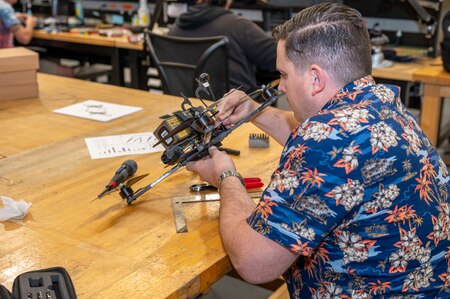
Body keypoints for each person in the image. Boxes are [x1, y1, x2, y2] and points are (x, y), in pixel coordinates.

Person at [186, 2, 450, 298]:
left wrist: (226, 177)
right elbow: (332, 149)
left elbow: (253, 263)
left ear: (315, 78)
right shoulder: (381, 103)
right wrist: (254, 111)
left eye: (284, 74)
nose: (281, 87)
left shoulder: (326, 139)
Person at [169, 0, 277, 93]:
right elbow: (276, 57)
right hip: (235, 109)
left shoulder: (175, 29)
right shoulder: (238, 26)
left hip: (189, 109)